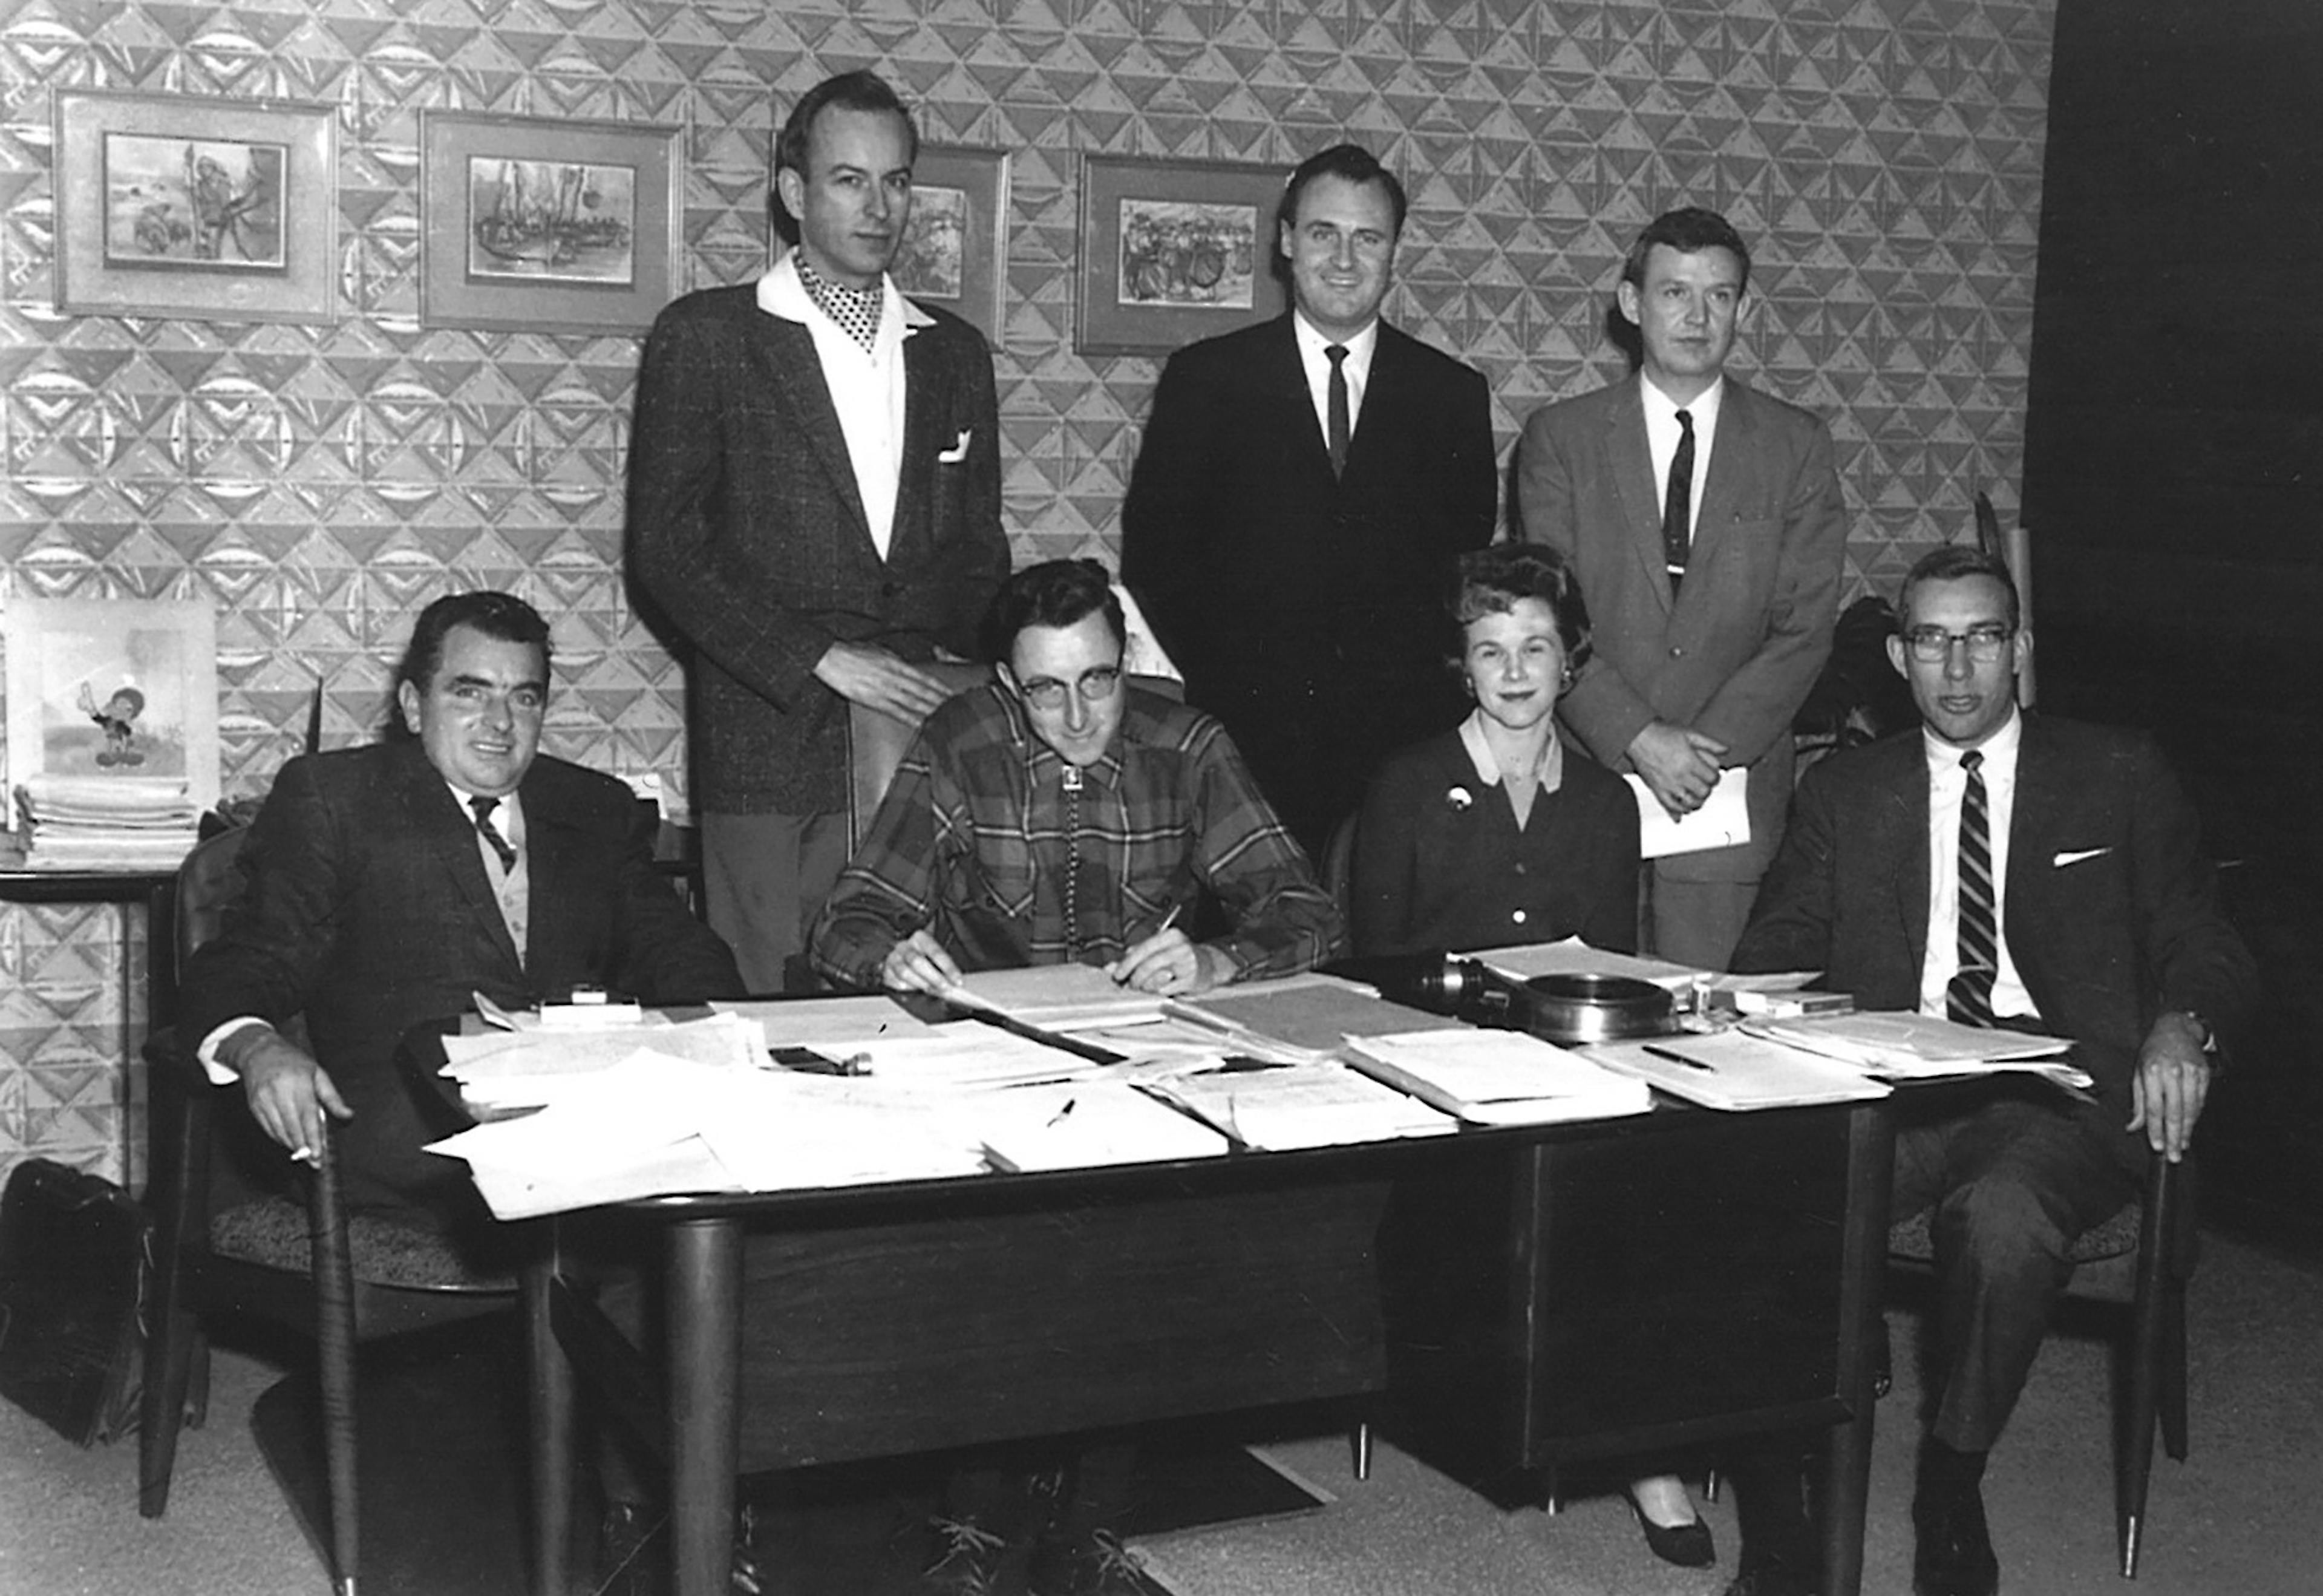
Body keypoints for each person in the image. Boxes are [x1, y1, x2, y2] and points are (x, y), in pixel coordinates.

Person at [1723, 545, 2258, 1596]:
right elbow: (1768, 956)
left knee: (2003, 1218)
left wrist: (2181, 1026)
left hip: (2057, 1092)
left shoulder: (2116, 769)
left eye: (1981, 637)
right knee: (1742, 1203)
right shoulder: (1847, 789)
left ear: (2018, 649)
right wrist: (1787, 1012)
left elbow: (2207, 940)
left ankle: (1950, 1479)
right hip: (1896, 1084)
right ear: (1897, 655)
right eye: (1931, 639)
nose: (1957, 667)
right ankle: (1780, 1531)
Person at [179, 591, 745, 1232]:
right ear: (415, 708)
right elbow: (249, 959)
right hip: (417, 1140)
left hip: (583, 1124)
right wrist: (257, 1047)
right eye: (469, 693)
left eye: (523, 697)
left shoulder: (593, 806)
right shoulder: (336, 801)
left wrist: (727, 1047)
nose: (499, 722)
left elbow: (678, 950)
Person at [628, 68, 1010, 993]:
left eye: (897, 181)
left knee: (924, 1003)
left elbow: (979, 552)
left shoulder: (953, 352)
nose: (880, 206)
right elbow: (668, 553)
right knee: (778, 1005)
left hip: (919, 738)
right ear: (794, 195)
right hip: (769, 741)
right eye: (850, 179)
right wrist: (820, 658)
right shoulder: (709, 337)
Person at [1121, 143, 1497, 860]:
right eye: (1324, 233)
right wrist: (1238, 689)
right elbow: (1158, 559)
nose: (1345, 258)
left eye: (1369, 238)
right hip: (1243, 742)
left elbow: (1462, 575)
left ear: (1394, 251)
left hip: (1400, 749)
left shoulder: (1450, 396)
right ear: (1288, 241)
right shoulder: (1207, 381)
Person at [1515, 205, 1847, 972]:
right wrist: (1638, 736)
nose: (1698, 317)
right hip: (1585, 779)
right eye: (1674, 293)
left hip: (1724, 796)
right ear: (1631, 305)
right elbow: (1548, 619)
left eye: (1720, 296)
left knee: (1711, 1028)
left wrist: (1698, 757)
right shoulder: (1561, 440)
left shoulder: (1797, 446)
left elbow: (1804, 629)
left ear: (1743, 309)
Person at [811, 557, 1343, 998]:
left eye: (1097, 681)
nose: (1076, 717)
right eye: (1045, 689)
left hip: (1150, 1038)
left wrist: (1216, 961)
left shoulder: (1188, 748)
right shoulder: (961, 745)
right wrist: (891, 961)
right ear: (1009, 684)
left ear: (1127, 661)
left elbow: (1309, 913)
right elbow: (849, 922)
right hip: (996, 1041)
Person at [1350, 543, 1639, 960]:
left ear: (1567, 661)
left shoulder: (1607, 801)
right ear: (1465, 669)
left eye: (1534, 648)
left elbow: (1612, 970)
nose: (1515, 671)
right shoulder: (1406, 785)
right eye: (1491, 653)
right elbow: (1376, 963)